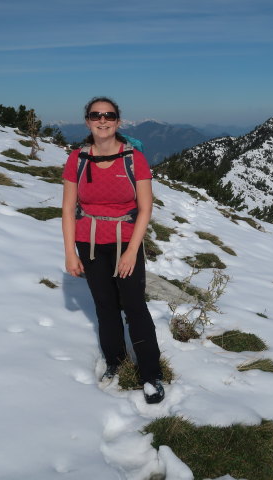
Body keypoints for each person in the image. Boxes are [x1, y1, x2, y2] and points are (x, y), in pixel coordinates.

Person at [61, 97, 164, 404]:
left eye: (109, 115)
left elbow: (145, 208)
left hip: (125, 241)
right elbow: (68, 209)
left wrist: (132, 252)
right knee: (104, 305)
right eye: (96, 115)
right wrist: (70, 253)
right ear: (87, 121)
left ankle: (151, 373)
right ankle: (115, 360)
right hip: (89, 242)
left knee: (133, 305)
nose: (102, 120)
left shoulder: (133, 158)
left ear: (118, 121)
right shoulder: (77, 159)